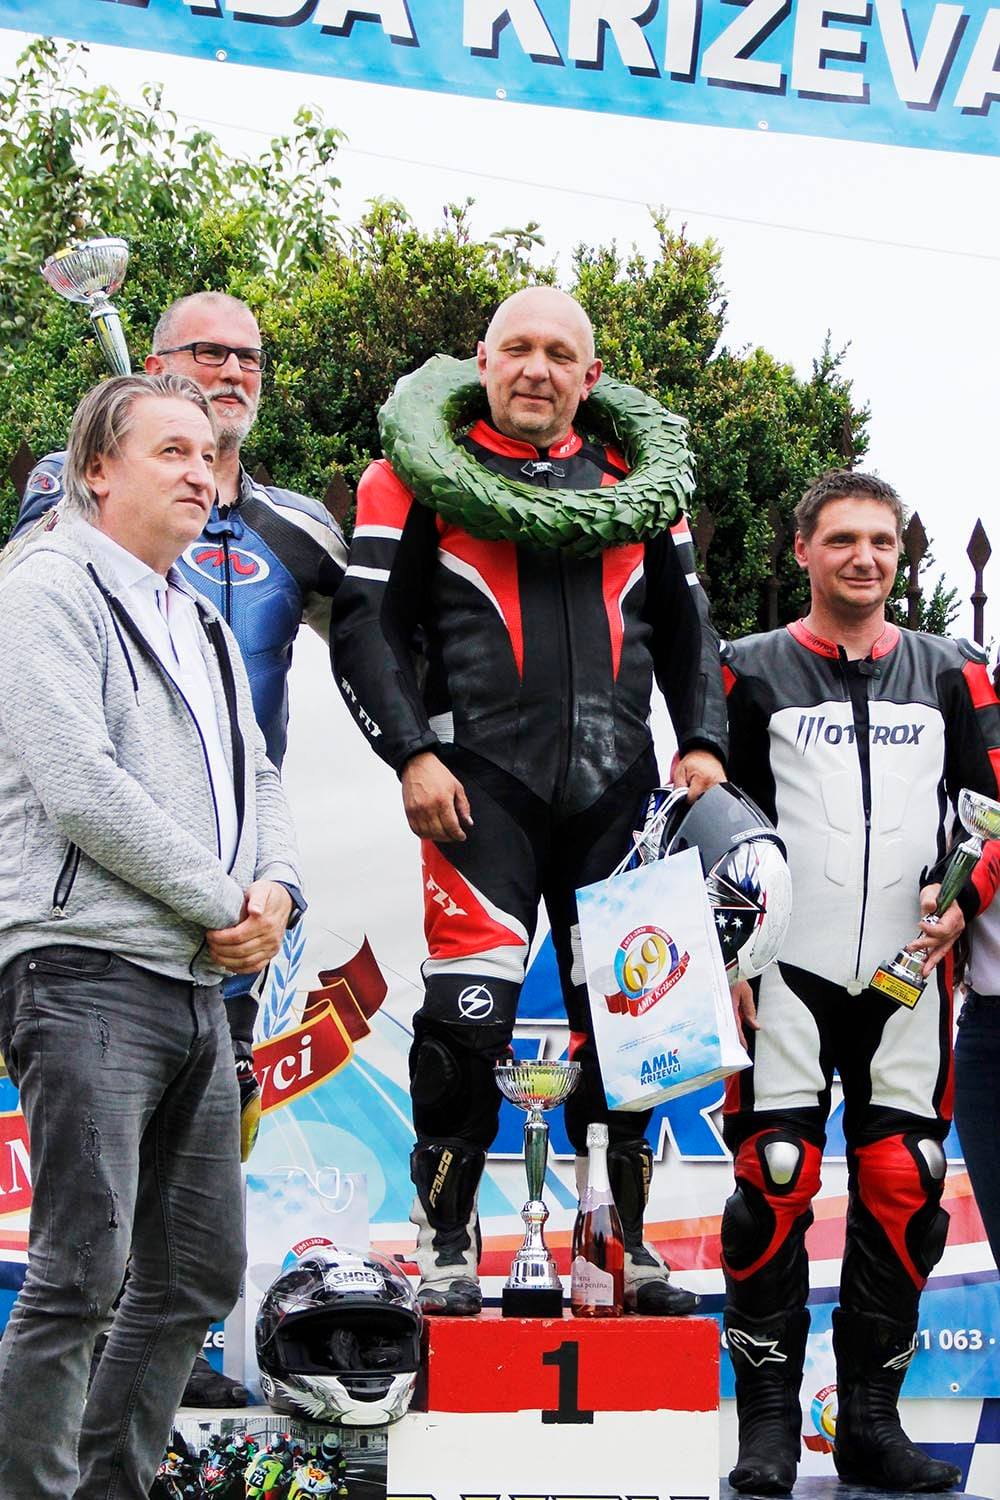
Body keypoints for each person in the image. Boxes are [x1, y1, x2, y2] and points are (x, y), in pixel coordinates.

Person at [332, 286, 728, 1316]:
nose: (536, 369)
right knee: (464, 1025)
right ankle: (448, 1243)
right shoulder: (411, 471)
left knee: (634, 1022)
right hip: (480, 791)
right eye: (517, 348)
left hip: (617, 796)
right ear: (483, 360)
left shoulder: (641, 481)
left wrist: (702, 745)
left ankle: (619, 1241)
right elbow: (366, 625)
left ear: (591, 379)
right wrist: (412, 756)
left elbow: (690, 626)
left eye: (559, 354)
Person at [0, 372, 304, 1499]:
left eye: (208, 455)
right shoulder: (45, 584)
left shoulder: (203, 618)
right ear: (96, 471)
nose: (200, 471)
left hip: (190, 980)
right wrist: (226, 902)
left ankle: (108, 1488)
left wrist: (276, 887)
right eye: (171, 451)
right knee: (81, 1274)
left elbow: (259, 778)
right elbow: (79, 786)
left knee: (197, 1275)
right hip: (81, 966)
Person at [13, 290, 346, 1156]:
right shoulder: (61, 518)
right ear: (156, 366)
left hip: (224, 927)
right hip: (102, 924)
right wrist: (120, 466)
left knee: (208, 1183)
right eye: (209, 353)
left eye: (249, 357)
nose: (232, 371)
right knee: (97, 1203)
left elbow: (367, 669)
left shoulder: (291, 534)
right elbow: (77, 774)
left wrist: (276, 888)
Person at [720, 470, 1000, 1494]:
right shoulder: (744, 668)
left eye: (881, 541)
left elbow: (991, 808)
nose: (864, 558)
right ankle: (765, 1430)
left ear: (899, 553)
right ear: (802, 550)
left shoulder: (952, 668)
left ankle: (872, 1425)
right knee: (774, 1175)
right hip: (782, 973)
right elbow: (707, 814)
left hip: (906, 975)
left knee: (905, 1181)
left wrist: (966, 897)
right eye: (841, 539)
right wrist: (726, 957)